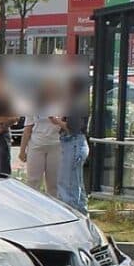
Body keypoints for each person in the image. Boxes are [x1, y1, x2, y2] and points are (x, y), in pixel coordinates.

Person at [55, 75, 90, 214]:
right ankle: (82, 214)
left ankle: (70, 216)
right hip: (78, 143)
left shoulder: (76, 103)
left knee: (67, 186)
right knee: (76, 184)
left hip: (73, 143)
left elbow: (73, 127)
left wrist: (57, 121)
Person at [19, 113, 61, 196]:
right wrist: (22, 150)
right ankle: (32, 205)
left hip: (56, 145)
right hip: (36, 145)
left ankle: (52, 206)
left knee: (53, 183)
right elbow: (28, 128)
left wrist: (57, 121)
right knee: (33, 181)